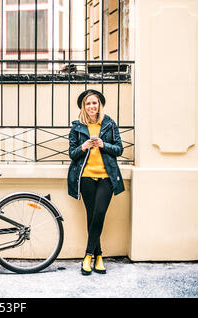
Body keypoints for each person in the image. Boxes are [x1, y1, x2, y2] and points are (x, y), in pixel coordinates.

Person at [67, 89, 125, 275]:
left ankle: (87, 256)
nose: (92, 106)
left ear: (99, 105)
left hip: (106, 177)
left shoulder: (109, 124)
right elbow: (72, 154)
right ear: (84, 107)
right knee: (92, 216)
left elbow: (119, 149)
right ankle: (99, 256)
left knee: (99, 213)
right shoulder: (77, 128)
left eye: (95, 103)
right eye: (88, 103)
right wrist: (83, 147)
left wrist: (103, 144)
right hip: (85, 178)